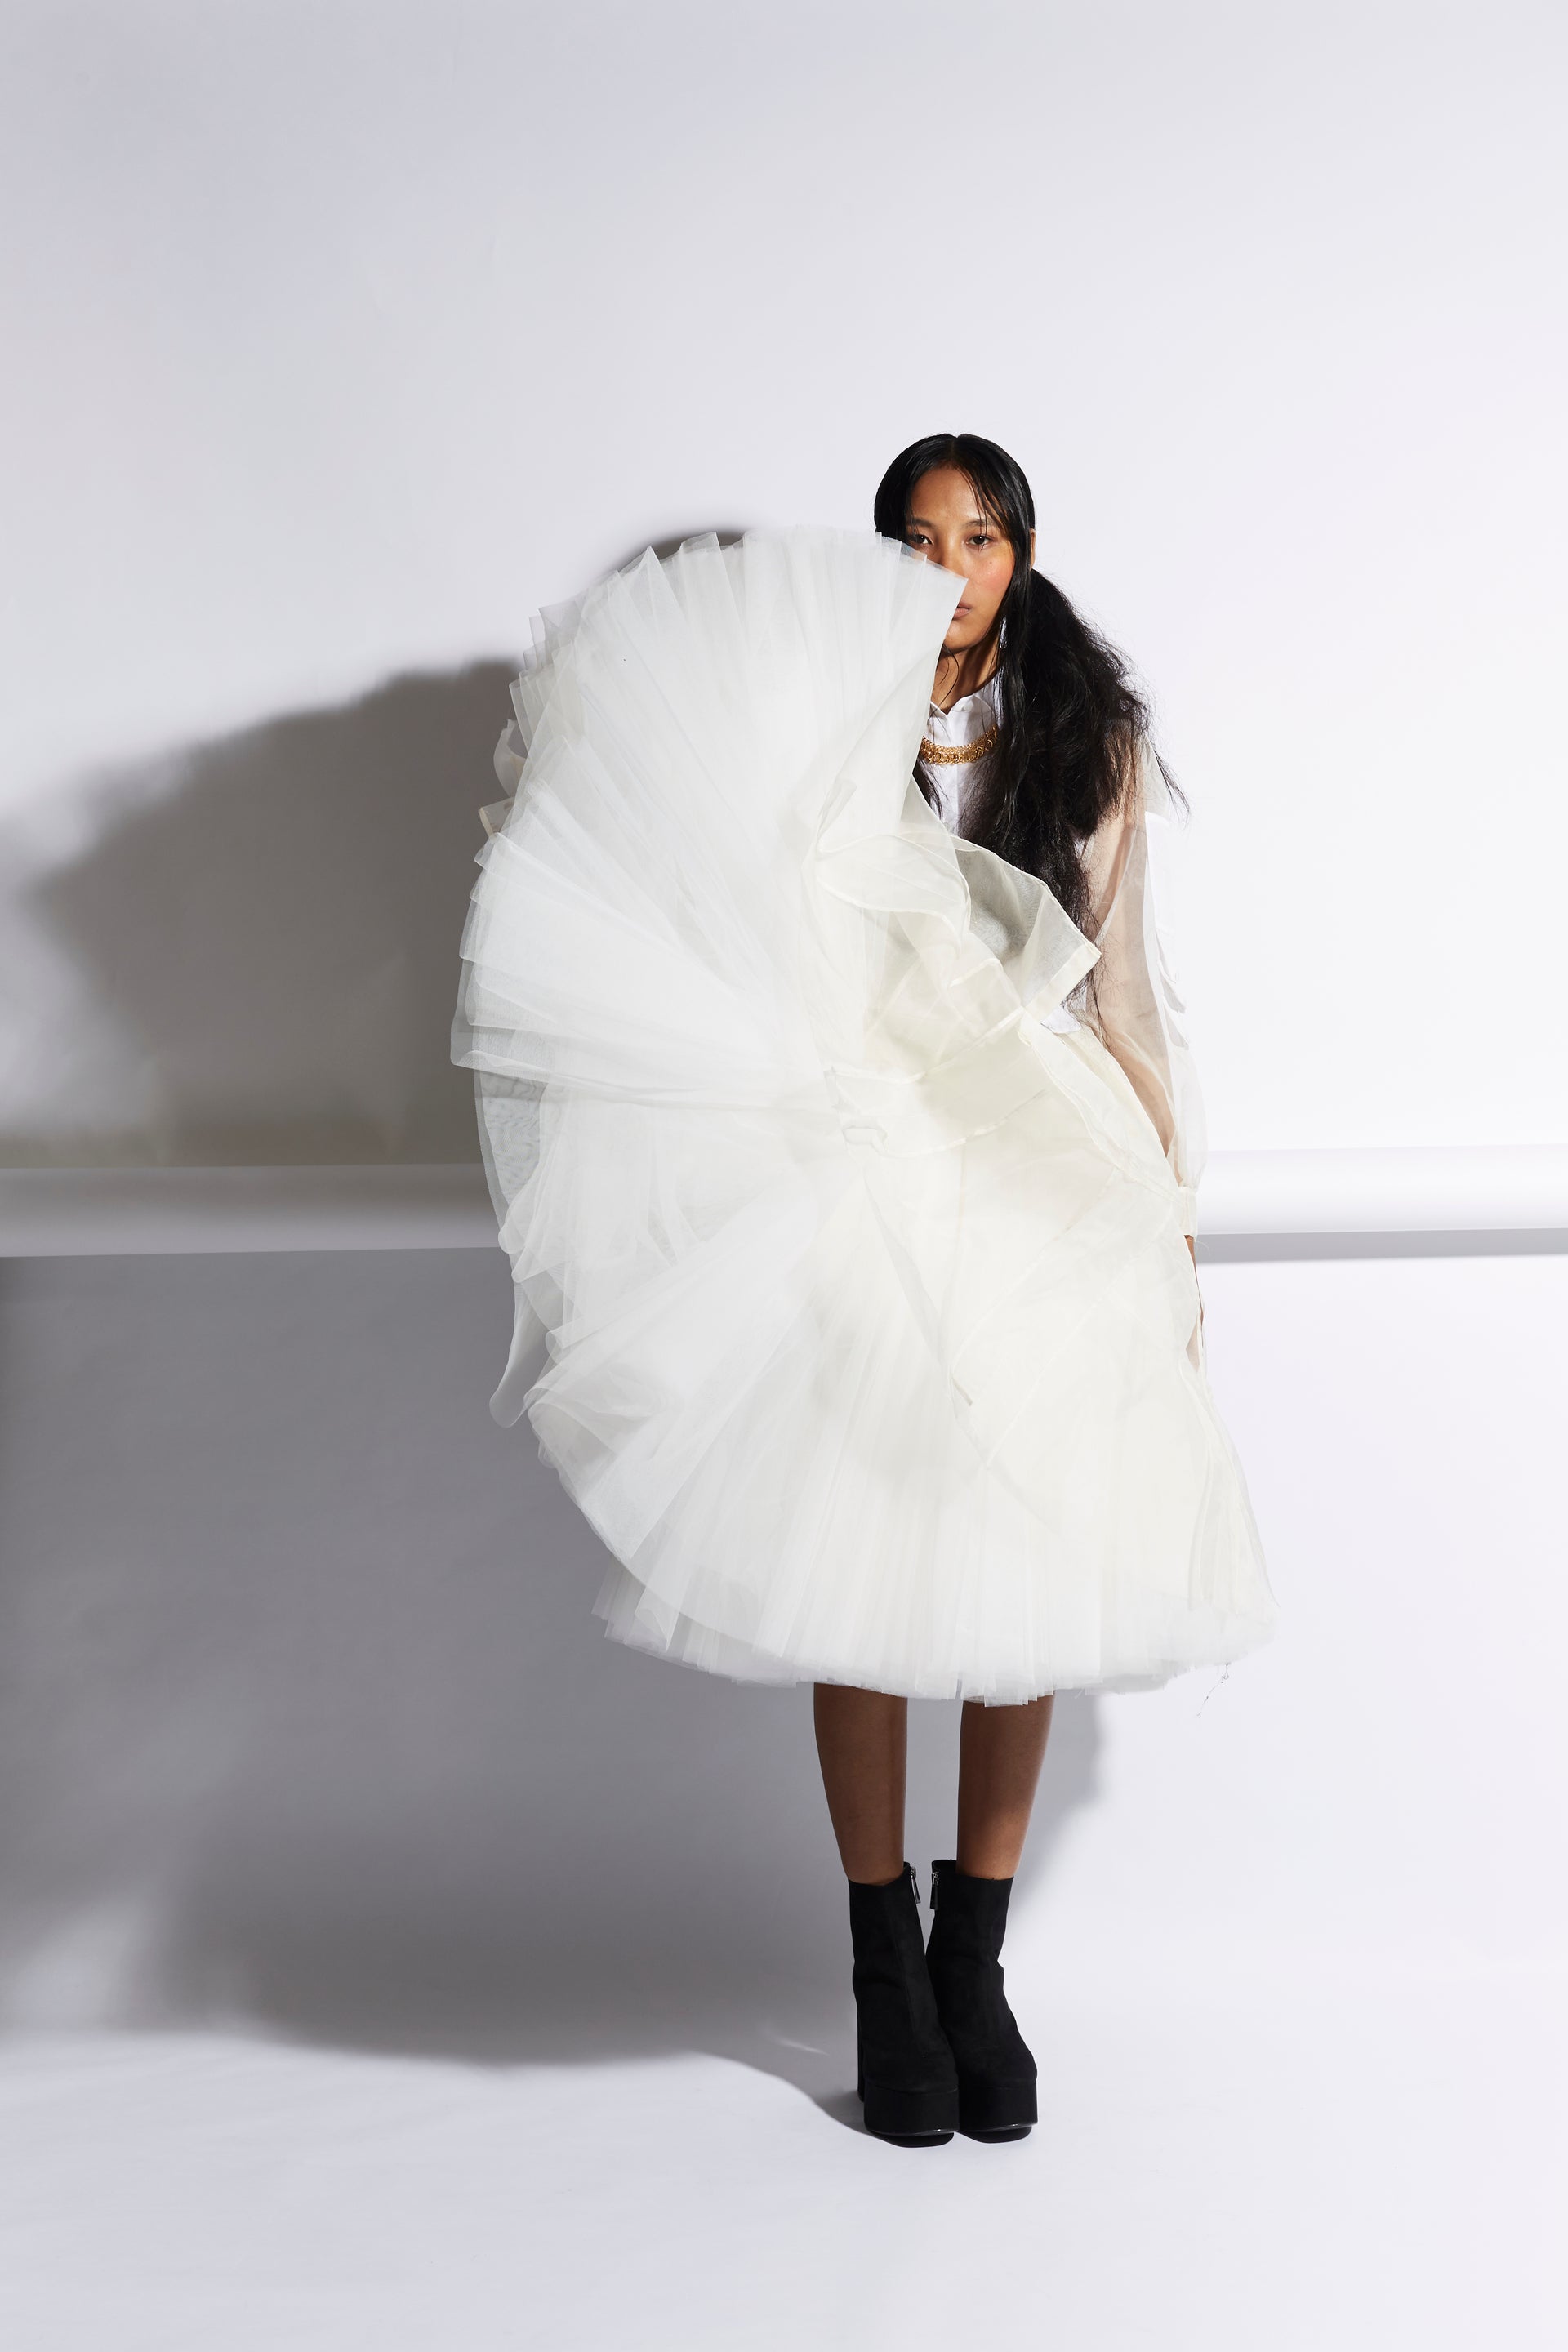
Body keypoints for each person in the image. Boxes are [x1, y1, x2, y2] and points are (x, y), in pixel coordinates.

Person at [453, 433, 1275, 2149]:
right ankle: (882, 1973)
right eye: (918, 536)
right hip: (861, 1173)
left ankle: (975, 1967)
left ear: (1024, 552)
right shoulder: (823, 713)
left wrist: (1169, 1206)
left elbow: (1124, 985)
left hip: (1041, 1167)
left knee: (1036, 1557)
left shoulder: (1086, 736)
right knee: (866, 1558)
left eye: (980, 537)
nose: (949, 568)